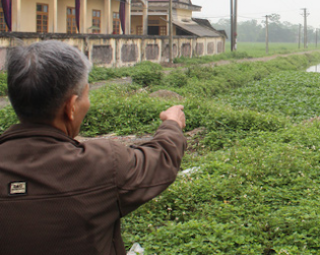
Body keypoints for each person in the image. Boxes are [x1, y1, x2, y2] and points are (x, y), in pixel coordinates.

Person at [0, 40, 187, 255]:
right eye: (86, 95)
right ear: (71, 107)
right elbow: (160, 158)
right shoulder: (102, 164)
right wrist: (172, 123)